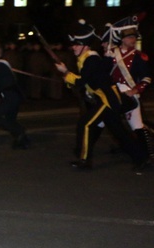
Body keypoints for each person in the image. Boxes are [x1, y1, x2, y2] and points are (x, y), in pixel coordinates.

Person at [53, 20, 148, 170]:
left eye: (76, 45)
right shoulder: (86, 59)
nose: (73, 48)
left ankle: (84, 160)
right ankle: (142, 158)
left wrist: (65, 73)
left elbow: (81, 81)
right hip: (108, 98)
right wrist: (68, 78)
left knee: (85, 124)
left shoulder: (91, 59)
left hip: (108, 100)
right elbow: (85, 83)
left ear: (85, 45)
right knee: (119, 133)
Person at [106, 16, 153, 159]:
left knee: (136, 124)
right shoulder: (112, 54)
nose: (133, 40)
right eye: (130, 37)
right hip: (113, 92)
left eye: (134, 37)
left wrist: (136, 90)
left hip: (130, 92)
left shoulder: (140, 57)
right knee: (109, 122)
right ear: (122, 38)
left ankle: (147, 154)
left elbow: (147, 77)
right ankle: (124, 145)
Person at [0, 44, 29, 149]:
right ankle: (22, 140)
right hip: (14, 95)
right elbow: (3, 80)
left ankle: (20, 132)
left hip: (11, 96)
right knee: (10, 120)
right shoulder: (3, 65)